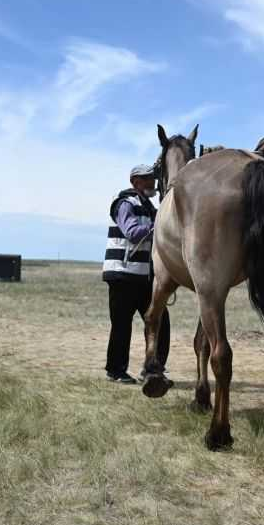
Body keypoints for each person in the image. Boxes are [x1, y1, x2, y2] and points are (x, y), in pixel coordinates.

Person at [102, 164, 171, 384]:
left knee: (161, 321)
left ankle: (154, 368)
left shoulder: (149, 207)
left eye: (153, 178)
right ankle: (116, 371)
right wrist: (159, 225)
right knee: (122, 325)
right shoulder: (125, 203)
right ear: (135, 182)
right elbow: (132, 232)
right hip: (122, 276)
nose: (153, 182)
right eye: (148, 179)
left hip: (143, 277)